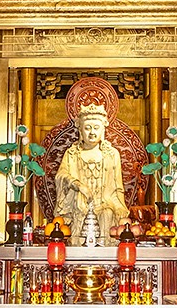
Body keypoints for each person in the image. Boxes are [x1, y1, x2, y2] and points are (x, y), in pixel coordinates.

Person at [53, 104, 129, 243]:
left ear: (103, 129)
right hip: (80, 206)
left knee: (107, 214)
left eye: (96, 128)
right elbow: (61, 176)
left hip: (104, 205)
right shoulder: (72, 153)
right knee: (79, 213)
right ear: (80, 130)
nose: (92, 132)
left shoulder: (112, 155)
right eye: (87, 128)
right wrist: (77, 185)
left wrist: (119, 208)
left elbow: (118, 188)